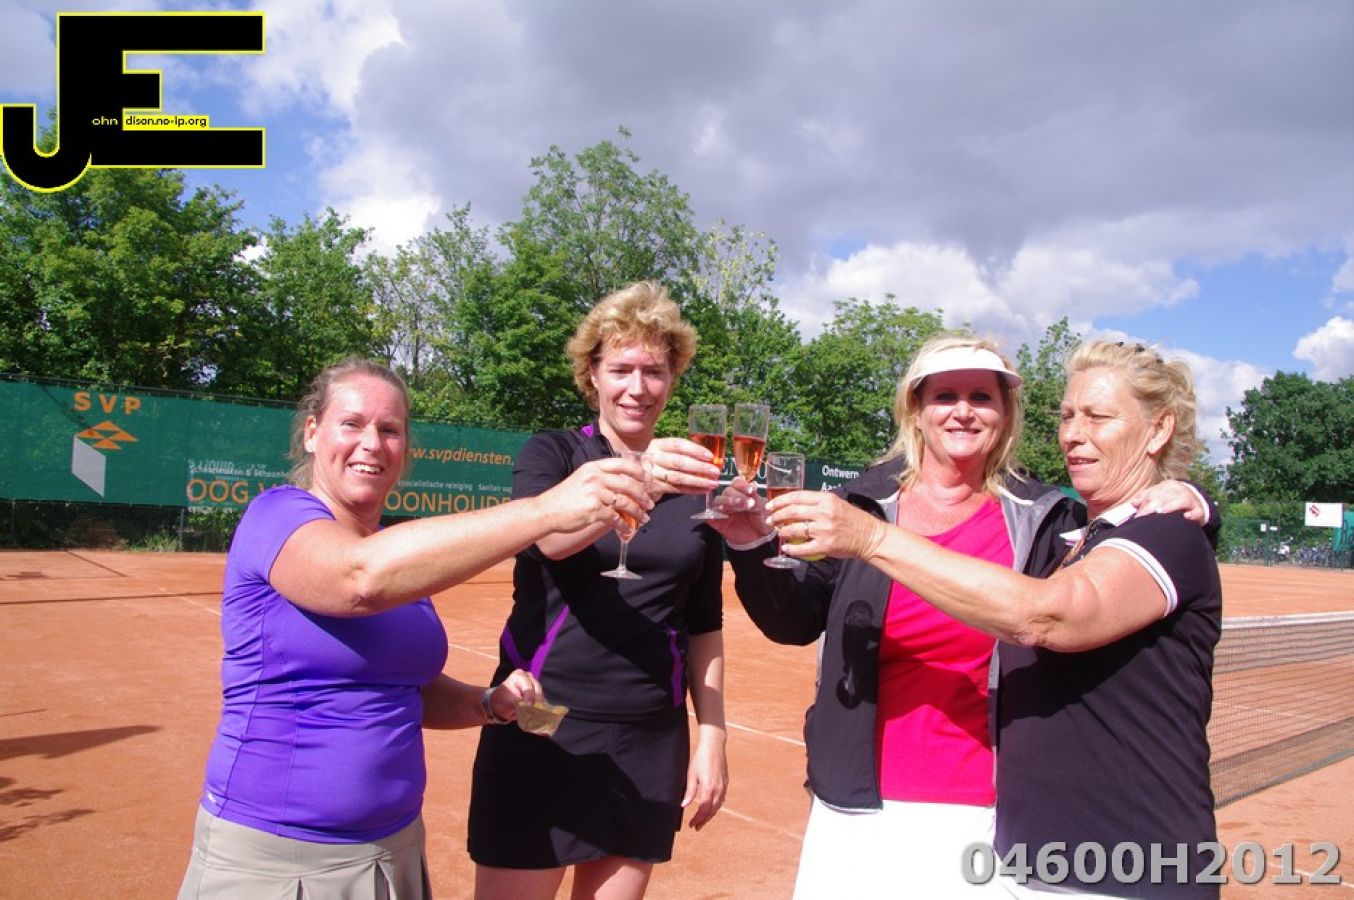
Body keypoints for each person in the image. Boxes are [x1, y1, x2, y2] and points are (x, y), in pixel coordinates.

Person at [709, 333, 1209, 897]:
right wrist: (750, 546)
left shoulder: (1046, 518)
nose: (963, 411)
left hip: (983, 812)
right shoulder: (863, 504)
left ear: (1005, 414)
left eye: (982, 397)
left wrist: (1196, 501)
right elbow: (794, 621)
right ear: (916, 411)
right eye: (945, 396)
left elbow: (1103, 569)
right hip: (853, 803)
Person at [178, 357, 654, 900]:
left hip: (393, 849)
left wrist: (487, 703)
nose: (371, 443)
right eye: (351, 424)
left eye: (390, 430)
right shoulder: (277, 516)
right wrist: (545, 511)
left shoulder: (397, 555)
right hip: (279, 857)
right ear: (312, 434)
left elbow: (408, 689)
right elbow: (356, 580)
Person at [468, 281, 728, 900]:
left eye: (655, 371)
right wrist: (645, 476)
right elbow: (549, 540)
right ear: (592, 373)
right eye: (621, 369)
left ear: (673, 379)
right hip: (541, 719)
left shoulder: (695, 479)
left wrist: (713, 737)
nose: (638, 387)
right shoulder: (555, 453)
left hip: (650, 736)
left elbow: (703, 623)